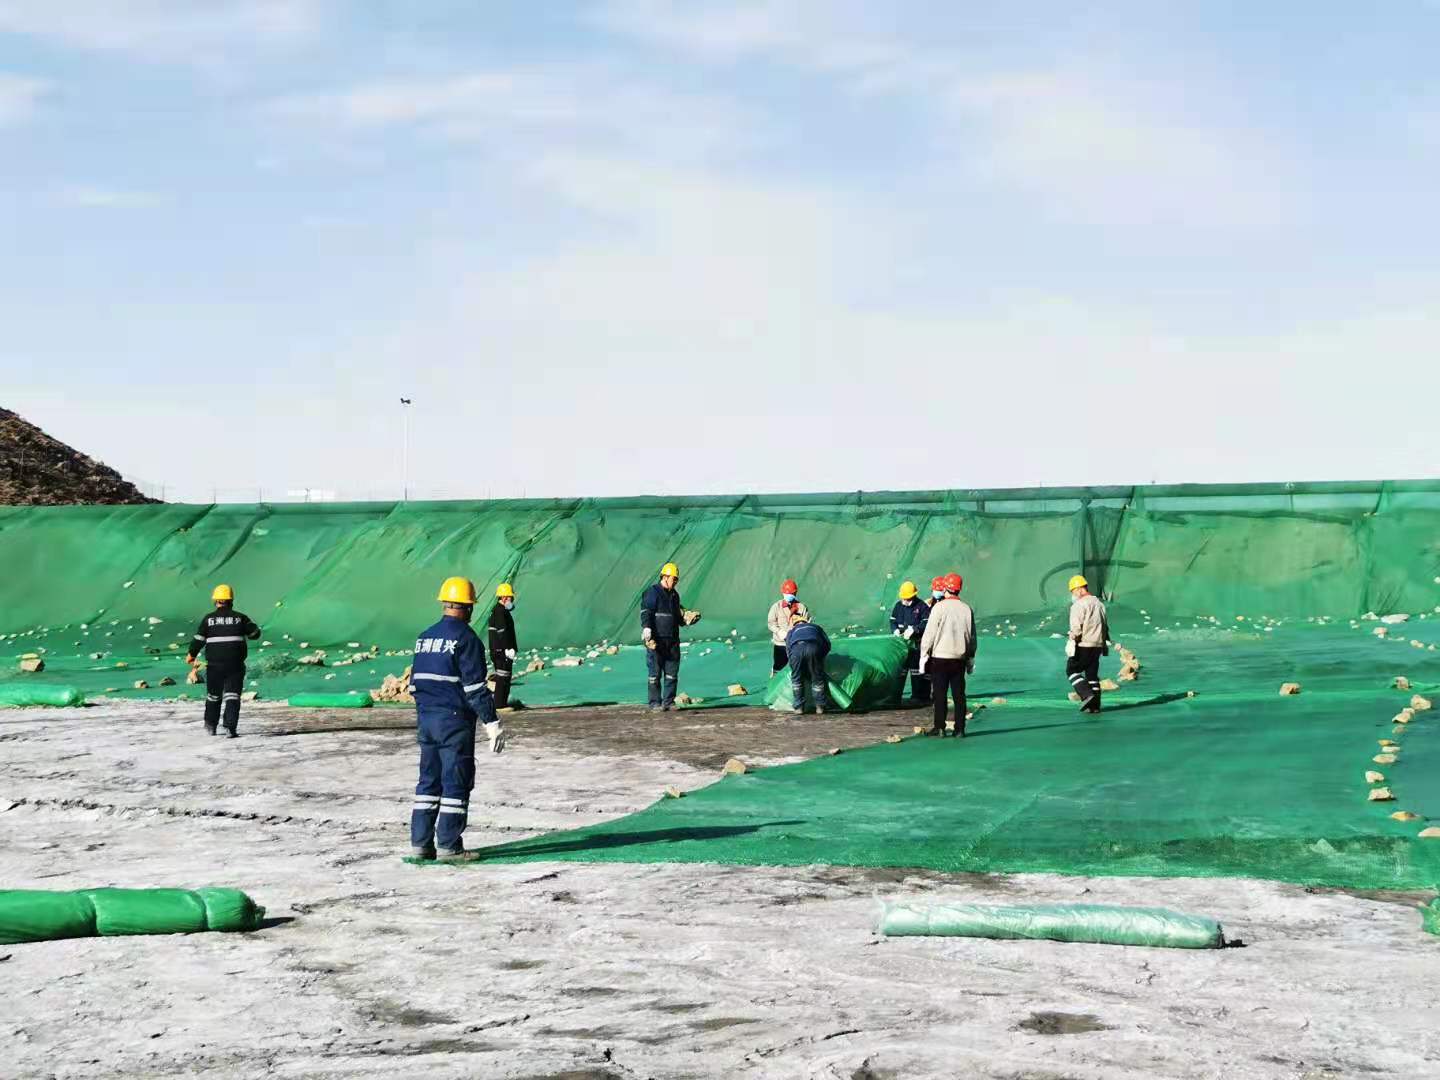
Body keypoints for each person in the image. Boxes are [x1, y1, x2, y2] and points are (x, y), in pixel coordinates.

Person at [409, 576, 506, 862]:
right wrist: (491, 722)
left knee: (428, 781)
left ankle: (420, 844)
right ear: (469, 607)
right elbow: (475, 689)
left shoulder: (425, 637)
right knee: (456, 781)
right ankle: (449, 846)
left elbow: (415, 684)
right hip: (453, 721)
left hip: (426, 718)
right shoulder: (466, 639)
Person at [185, 584, 261, 738]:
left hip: (214, 665)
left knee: (213, 696)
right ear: (231, 600)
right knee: (232, 696)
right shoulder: (241, 618)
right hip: (235, 665)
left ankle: (211, 725)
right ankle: (230, 728)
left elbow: (198, 640)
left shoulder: (209, 619)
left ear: (216, 601)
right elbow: (255, 634)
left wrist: (191, 654)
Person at [917, 572, 977, 737]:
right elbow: (972, 636)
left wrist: (924, 655)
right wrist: (971, 657)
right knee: (959, 696)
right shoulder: (966, 609)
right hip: (959, 659)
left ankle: (940, 727)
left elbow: (929, 634)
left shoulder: (939, 608)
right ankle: (960, 729)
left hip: (940, 658)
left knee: (939, 695)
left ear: (946, 589)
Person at [639, 561, 700, 710]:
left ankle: (669, 702)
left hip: (672, 641)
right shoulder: (652, 592)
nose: (676, 582)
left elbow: (677, 618)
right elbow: (646, 611)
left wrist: (686, 620)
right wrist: (647, 628)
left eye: (677, 579)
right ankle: (654, 703)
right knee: (654, 674)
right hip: (657, 640)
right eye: (674, 579)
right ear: (665, 577)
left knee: (672, 673)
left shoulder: (674, 596)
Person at [1065, 574, 1109, 713]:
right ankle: (1095, 706)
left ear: (1079, 589)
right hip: (1098, 645)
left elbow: (1077, 628)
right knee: (1092, 675)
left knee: (1072, 670)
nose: (1073, 595)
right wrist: (1104, 644)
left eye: (1073, 591)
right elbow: (1105, 626)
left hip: (1084, 644)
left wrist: (1072, 638)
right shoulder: (1099, 604)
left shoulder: (1078, 605)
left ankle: (1086, 695)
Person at [890, 581, 931, 703]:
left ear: (913, 596)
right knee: (900, 672)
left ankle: (917, 696)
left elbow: (926, 623)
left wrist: (915, 630)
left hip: (916, 645)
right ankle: (895, 697)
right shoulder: (898, 606)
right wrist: (895, 630)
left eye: (907, 599)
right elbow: (892, 620)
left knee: (916, 672)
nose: (905, 601)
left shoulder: (922, 606)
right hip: (901, 645)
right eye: (903, 599)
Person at [785, 611, 832, 715]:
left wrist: (794, 664)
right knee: (817, 678)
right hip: (813, 647)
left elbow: (788, 649)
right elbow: (827, 644)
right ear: (806, 622)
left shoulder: (792, 631)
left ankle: (799, 708)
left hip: (796, 650)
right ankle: (820, 707)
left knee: (796, 679)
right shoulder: (816, 627)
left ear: (795, 624)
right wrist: (820, 658)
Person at [487, 583, 520, 710]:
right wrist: (507, 648)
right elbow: (502, 631)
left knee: (505, 676)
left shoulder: (499, 611)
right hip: (501, 651)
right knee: (502, 677)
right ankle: (499, 705)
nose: (512, 600)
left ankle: (502, 703)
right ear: (504, 597)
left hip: (499, 650)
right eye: (511, 597)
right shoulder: (500, 611)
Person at [766, 578, 809, 676]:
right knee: (779, 665)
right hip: (781, 643)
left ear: (795, 593)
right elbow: (771, 623)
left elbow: (808, 623)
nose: (789, 595)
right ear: (783, 593)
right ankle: (774, 676)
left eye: (792, 593)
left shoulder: (801, 607)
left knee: (798, 664)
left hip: (796, 643)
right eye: (787, 593)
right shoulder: (776, 607)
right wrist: (779, 631)